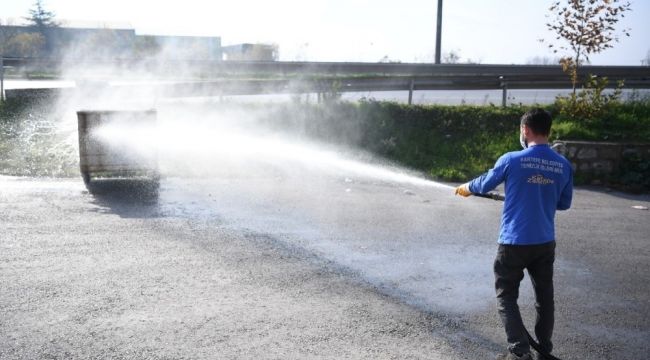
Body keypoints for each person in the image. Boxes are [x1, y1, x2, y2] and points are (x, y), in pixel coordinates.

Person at [454, 108, 573, 360]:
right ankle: (544, 351)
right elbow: (563, 204)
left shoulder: (511, 159)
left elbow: (485, 183)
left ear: (525, 130)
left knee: (506, 296)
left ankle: (520, 352)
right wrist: (540, 193)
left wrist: (466, 187)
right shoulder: (563, 165)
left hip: (514, 242)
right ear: (548, 131)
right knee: (544, 298)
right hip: (544, 242)